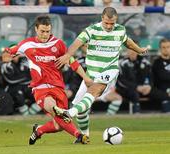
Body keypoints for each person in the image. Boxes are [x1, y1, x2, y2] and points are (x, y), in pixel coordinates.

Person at [53, 7, 148, 139]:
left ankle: (69, 113)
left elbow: (127, 42)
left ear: (116, 20)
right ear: (102, 19)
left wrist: (139, 50)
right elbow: (78, 42)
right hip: (91, 73)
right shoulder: (92, 30)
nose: (109, 26)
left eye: (112, 23)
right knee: (82, 110)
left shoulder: (120, 30)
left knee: (94, 90)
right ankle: (85, 136)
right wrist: (67, 55)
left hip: (109, 70)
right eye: (106, 23)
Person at [3, 14, 91, 145]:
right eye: (42, 31)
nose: (45, 34)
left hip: (58, 87)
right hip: (40, 88)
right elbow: (8, 52)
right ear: (36, 30)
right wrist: (7, 52)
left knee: (59, 125)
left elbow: (72, 62)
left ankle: (39, 130)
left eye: (47, 31)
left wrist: (86, 78)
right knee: (54, 108)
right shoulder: (27, 44)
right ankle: (79, 135)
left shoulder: (58, 44)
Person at [152, 38, 170, 112]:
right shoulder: (157, 63)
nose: (166, 49)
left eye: (168, 47)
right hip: (162, 91)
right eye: (164, 47)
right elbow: (162, 77)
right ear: (160, 49)